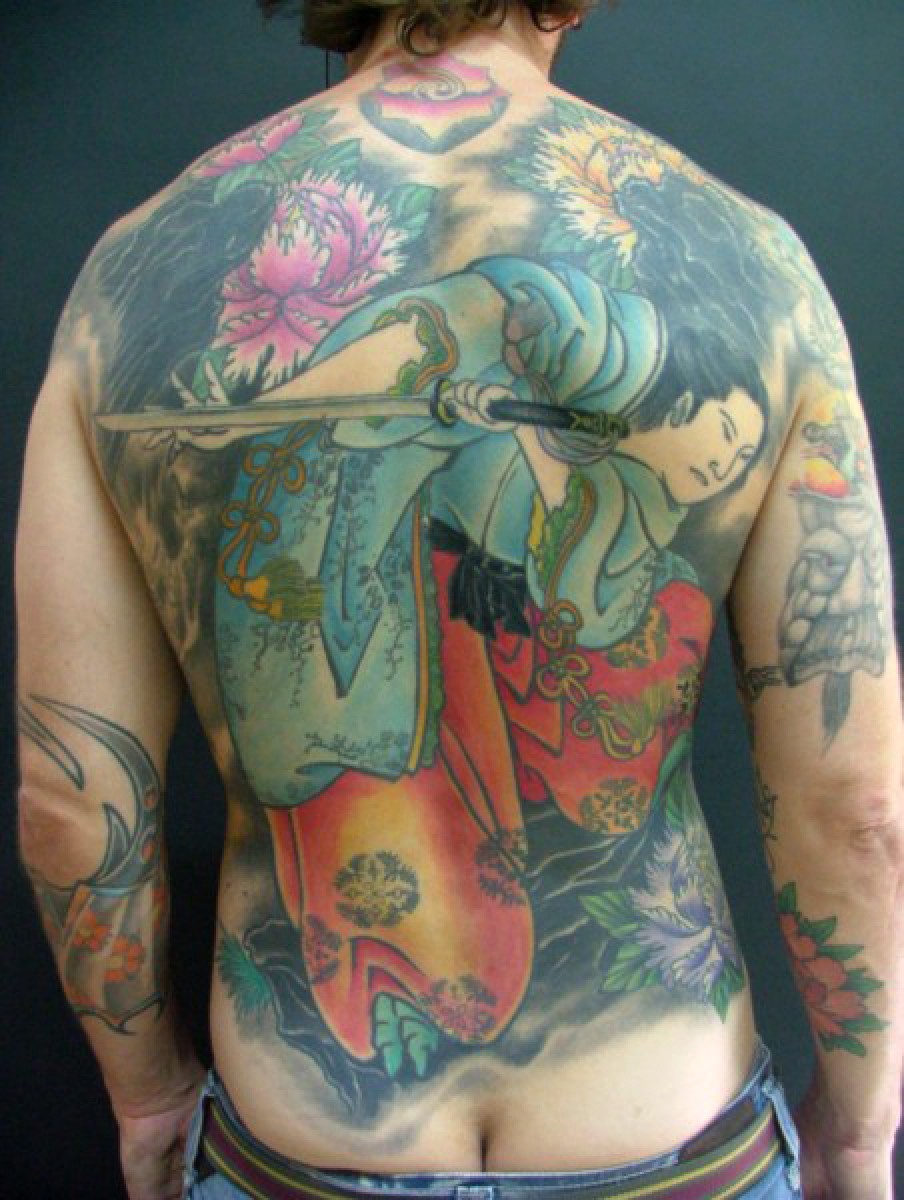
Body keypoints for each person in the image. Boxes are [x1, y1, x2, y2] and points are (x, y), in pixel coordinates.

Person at [14, 2, 901, 1198]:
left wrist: (147, 1094)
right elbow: (854, 806)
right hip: (666, 1139)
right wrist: (859, 1125)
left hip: (302, 1145)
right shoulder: (756, 273)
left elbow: (70, 801)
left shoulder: (129, 281)